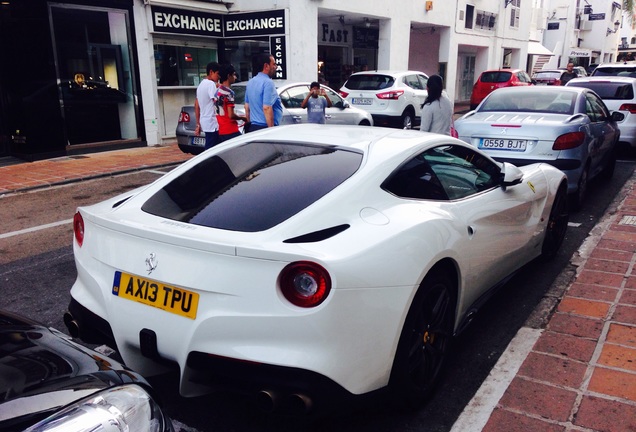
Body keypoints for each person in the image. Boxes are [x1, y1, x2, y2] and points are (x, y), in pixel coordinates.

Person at [244, 53, 282, 131]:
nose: (276, 67)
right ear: (266, 66)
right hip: (264, 128)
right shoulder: (268, 82)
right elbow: (267, 107)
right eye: (274, 64)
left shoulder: (251, 82)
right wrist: (271, 130)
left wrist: (249, 124)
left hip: (253, 127)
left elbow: (247, 107)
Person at [215, 64, 247, 143]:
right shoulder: (229, 93)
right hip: (231, 130)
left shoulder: (217, 91)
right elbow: (231, 115)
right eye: (233, 75)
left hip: (221, 129)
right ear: (229, 76)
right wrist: (243, 118)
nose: (235, 77)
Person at [195, 62, 220, 149]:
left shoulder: (201, 85)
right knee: (212, 149)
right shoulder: (210, 84)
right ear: (211, 72)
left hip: (205, 121)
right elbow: (217, 101)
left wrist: (198, 123)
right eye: (217, 73)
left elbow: (196, 106)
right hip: (212, 122)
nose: (219, 76)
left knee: (210, 146)